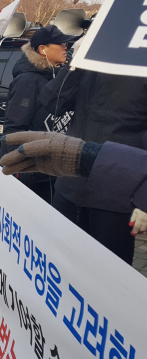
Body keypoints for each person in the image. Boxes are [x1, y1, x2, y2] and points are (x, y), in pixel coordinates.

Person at [38, 42, 147, 265]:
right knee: (60, 265)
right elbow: (51, 101)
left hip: (116, 198)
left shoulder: (141, 68)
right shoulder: (87, 68)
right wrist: (76, 64)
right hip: (69, 190)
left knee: (107, 275)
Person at [0, 132, 147, 238]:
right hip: (69, 189)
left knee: (109, 270)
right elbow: (49, 100)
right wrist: (82, 157)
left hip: (115, 201)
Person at [0, 25, 78, 202]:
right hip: (33, 173)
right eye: (61, 44)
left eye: (67, 44)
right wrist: (18, 171)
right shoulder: (28, 80)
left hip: (53, 169)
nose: (66, 48)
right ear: (43, 49)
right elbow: (14, 127)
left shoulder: (58, 76)